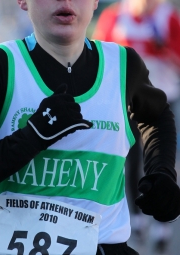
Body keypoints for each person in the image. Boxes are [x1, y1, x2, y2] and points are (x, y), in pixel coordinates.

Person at [0, 0, 180, 254]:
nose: (66, 1)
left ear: (95, 2)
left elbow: (158, 116)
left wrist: (163, 170)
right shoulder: (1, 67)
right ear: (23, 2)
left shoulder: (123, 65)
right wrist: (30, 139)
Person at [92, 0, 180, 252]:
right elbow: (97, 57)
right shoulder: (114, 17)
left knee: (162, 158)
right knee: (129, 160)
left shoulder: (167, 17)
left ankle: (163, 223)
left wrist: (164, 49)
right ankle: (136, 217)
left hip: (162, 98)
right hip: (127, 100)